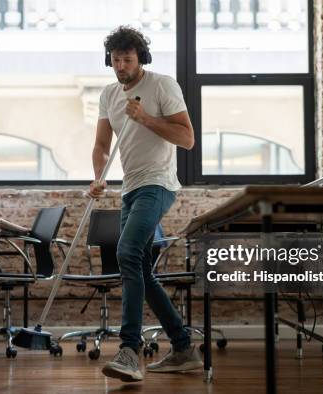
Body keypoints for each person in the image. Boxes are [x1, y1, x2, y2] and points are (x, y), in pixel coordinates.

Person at [88, 25, 202, 382]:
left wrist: (146, 119)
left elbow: (187, 139)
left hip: (159, 183)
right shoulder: (109, 94)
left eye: (127, 58)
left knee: (126, 254)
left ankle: (129, 350)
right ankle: (184, 348)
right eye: (115, 59)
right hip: (130, 188)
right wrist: (98, 175)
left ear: (141, 59)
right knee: (140, 269)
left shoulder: (162, 85)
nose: (120, 65)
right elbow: (102, 146)